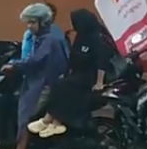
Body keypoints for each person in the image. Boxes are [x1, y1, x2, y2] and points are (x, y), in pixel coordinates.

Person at [1, 2, 69, 149]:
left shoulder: (48, 39)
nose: (29, 26)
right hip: (43, 80)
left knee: (25, 116)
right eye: (28, 23)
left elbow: (36, 60)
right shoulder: (51, 34)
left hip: (42, 82)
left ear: (42, 22)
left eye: (32, 23)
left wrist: (15, 65)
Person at [29, 9, 114, 138]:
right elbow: (73, 57)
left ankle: (49, 119)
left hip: (90, 76)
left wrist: (99, 82)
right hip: (77, 74)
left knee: (64, 85)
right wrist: (66, 72)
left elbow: (101, 61)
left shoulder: (96, 38)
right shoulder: (81, 36)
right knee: (58, 84)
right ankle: (55, 122)